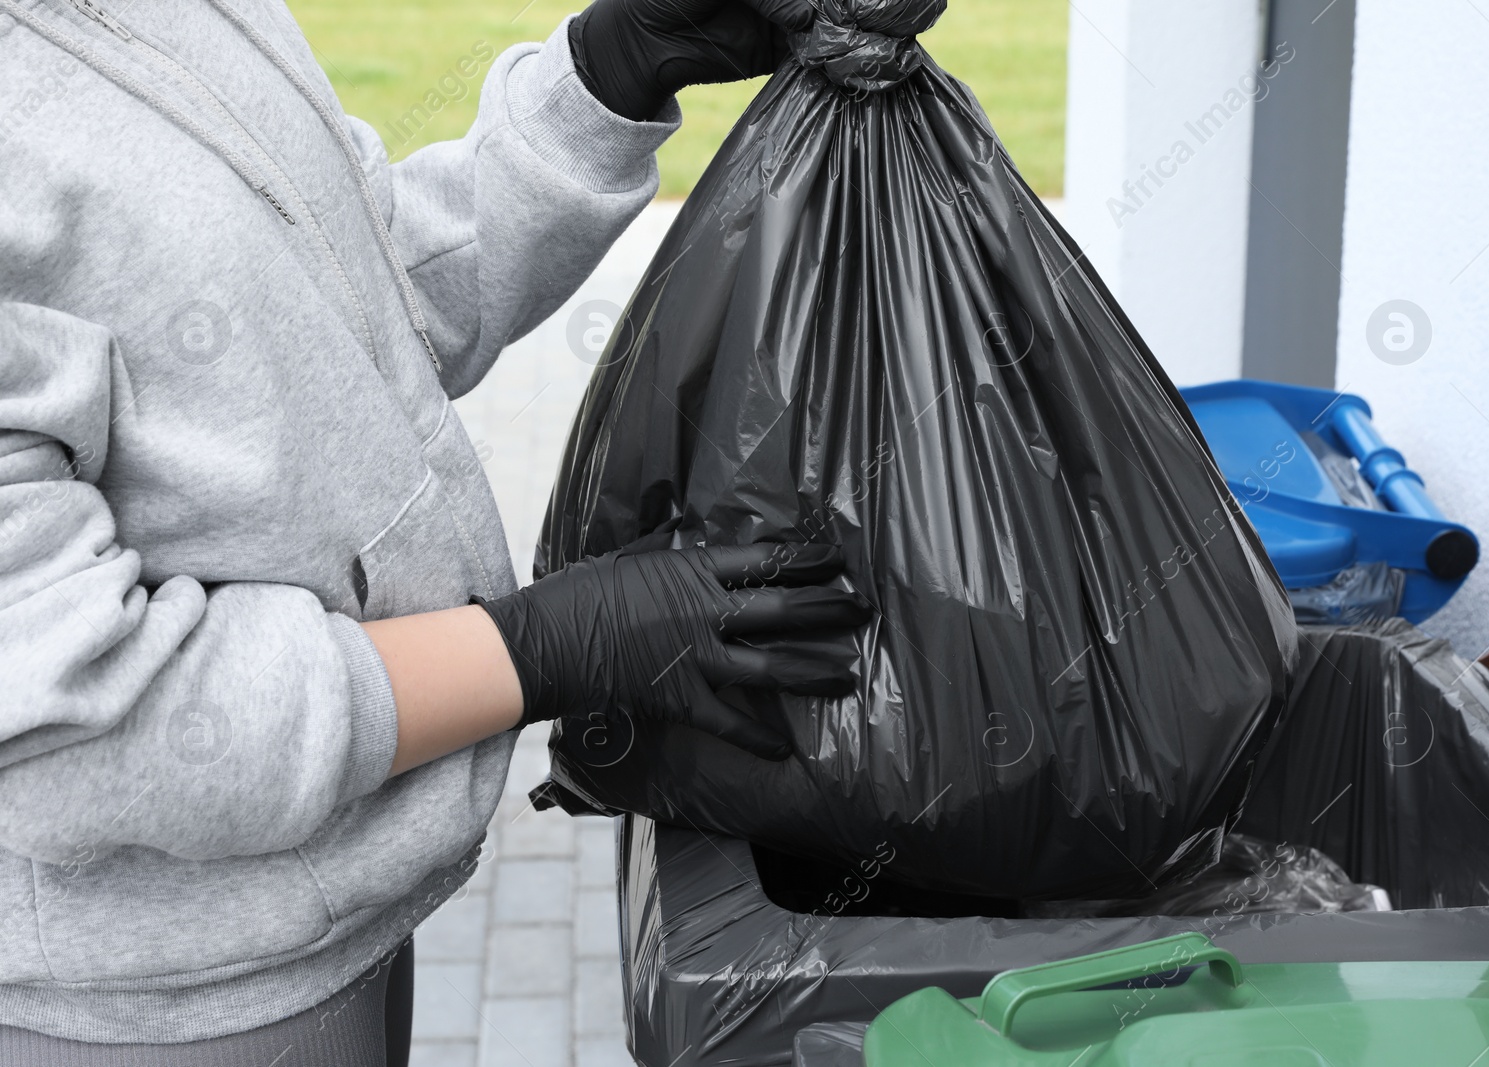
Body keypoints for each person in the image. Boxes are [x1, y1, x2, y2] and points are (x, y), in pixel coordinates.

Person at [0, 0, 866, 1061]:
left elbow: (355, 302)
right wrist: (542, 644)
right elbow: (74, 727)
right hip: (156, 1004)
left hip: (338, 908)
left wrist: (609, 74)